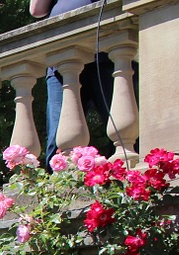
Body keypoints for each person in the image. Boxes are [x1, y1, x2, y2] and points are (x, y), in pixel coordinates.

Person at [30, 0, 115, 164]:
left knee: (121, 127)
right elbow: (37, 10)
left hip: (107, 54)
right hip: (61, 61)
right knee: (58, 137)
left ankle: (126, 180)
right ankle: (60, 185)